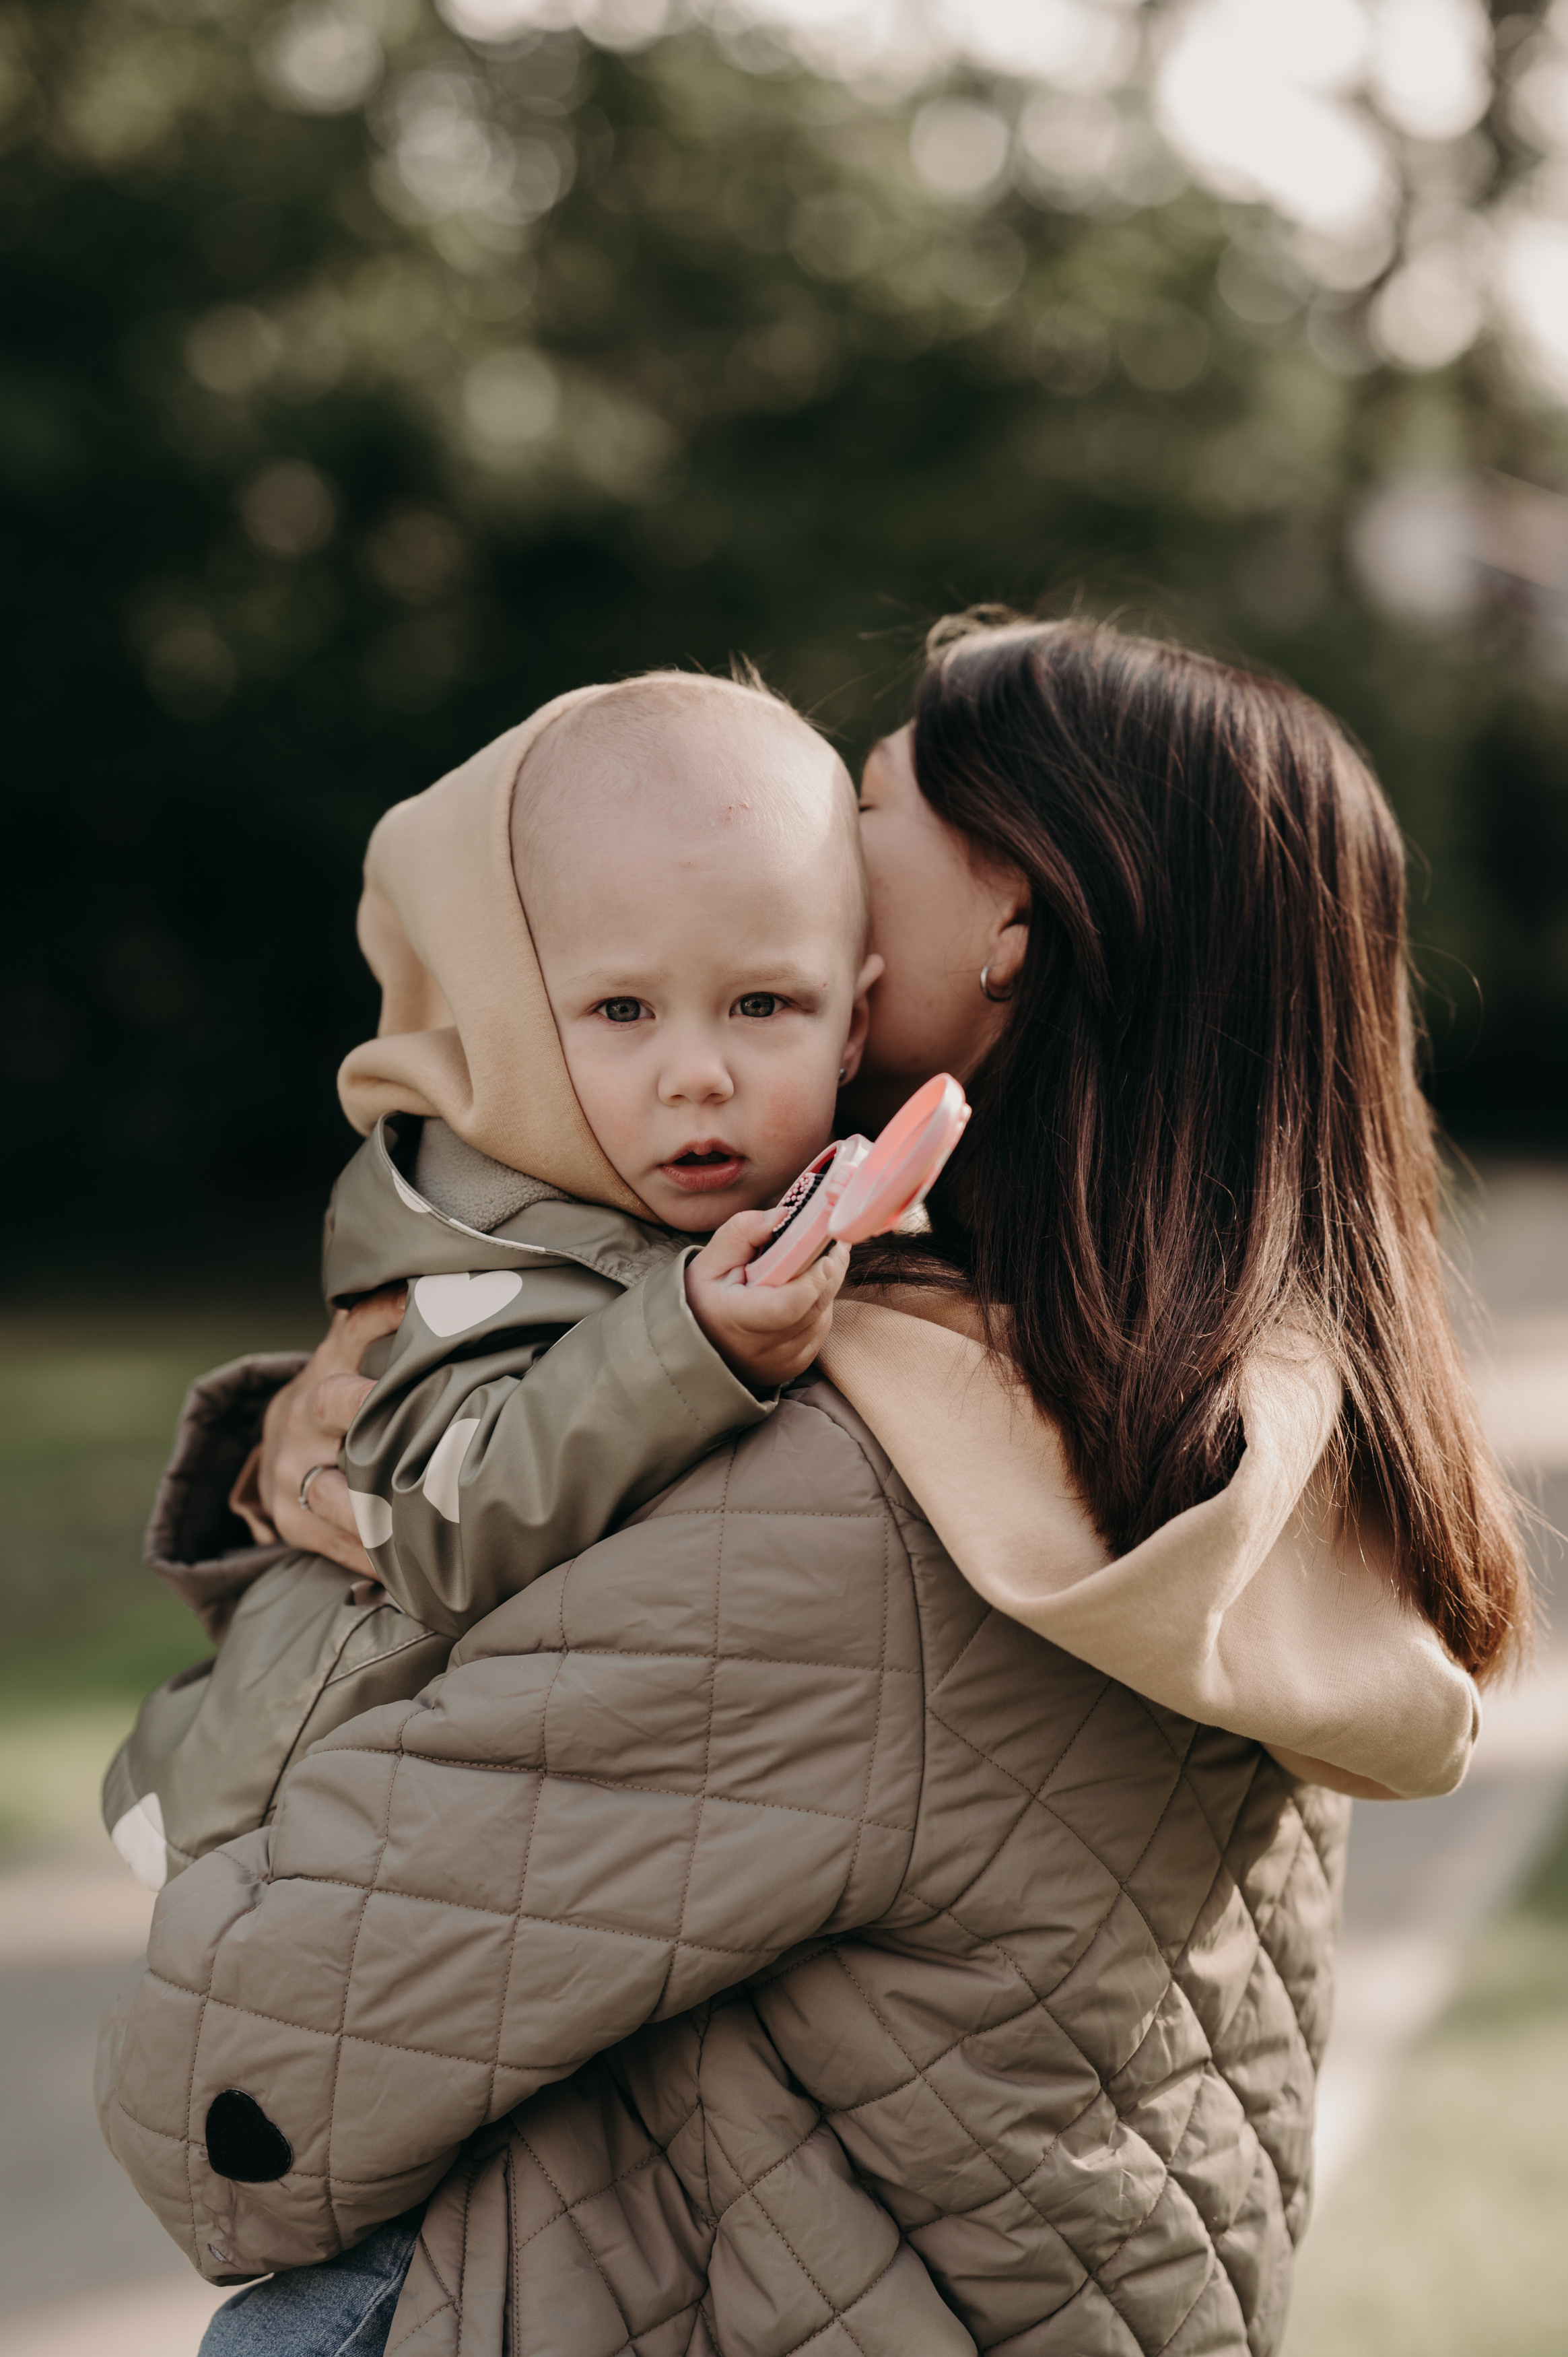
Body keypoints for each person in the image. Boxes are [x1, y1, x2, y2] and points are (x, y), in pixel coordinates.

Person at [100, 611, 1528, 2357]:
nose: (809, 851)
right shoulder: (1220, 1434)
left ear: (1014, 915)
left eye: (866, 801)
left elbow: (234, 2091)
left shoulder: (861, 1496)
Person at [106, 669, 888, 1886]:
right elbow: (441, 1525)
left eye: (762, 1003)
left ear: (852, 1023)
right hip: (292, 1842)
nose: (696, 1072)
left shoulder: (765, 1201)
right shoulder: (481, 1253)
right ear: (522, 1017)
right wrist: (690, 1351)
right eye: (622, 1009)